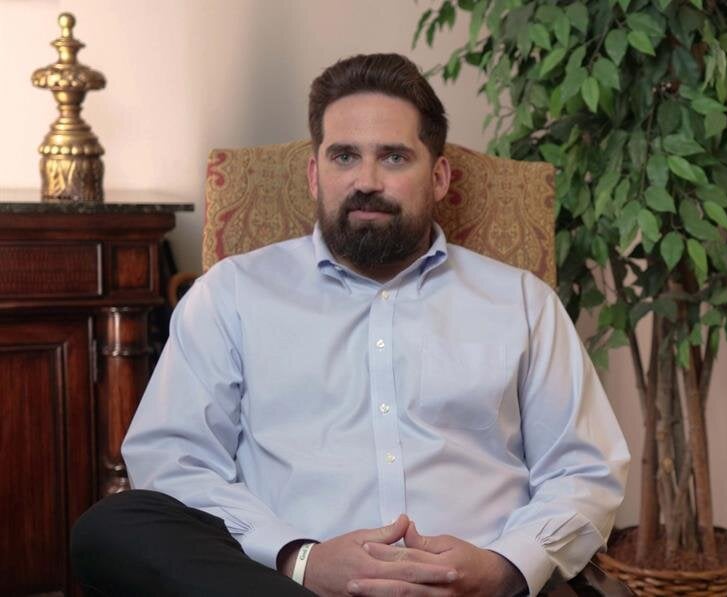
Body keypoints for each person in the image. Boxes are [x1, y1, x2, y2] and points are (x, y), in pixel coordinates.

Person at [71, 53, 629, 597]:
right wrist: (300, 558)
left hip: (468, 589)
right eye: (343, 156)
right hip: (281, 583)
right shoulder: (231, 294)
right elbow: (173, 462)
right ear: (315, 174)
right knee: (112, 525)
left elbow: (584, 470)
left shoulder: (522, 302)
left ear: (438, 176)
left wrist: (504, 567)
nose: (365, 180)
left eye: (393, 157)